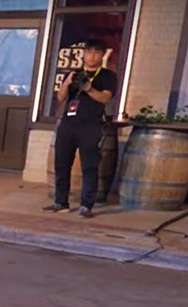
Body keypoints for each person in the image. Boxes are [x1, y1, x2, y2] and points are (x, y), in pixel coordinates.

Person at [44, 38, 117, 219]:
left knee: (89, 167)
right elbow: (61, 98)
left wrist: (90, 89)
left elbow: (106, 98)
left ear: (101, 55)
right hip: (68, 125)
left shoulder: (107, 76)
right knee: (61, 165)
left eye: (96, 52)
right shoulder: (74, 73)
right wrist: (67, 83)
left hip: (91, 126)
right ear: (83, 54)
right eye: (89, 52)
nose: (92, 56)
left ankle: (86, 205)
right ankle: (61, 202)